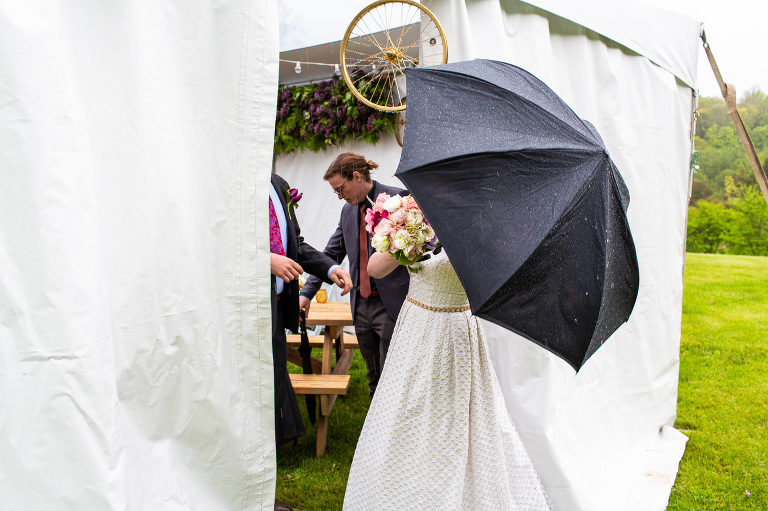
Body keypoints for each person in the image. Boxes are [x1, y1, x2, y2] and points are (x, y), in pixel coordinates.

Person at [342, 248, 554, 510]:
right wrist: (405, 240)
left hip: (456, 331)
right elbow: (374, 268)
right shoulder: (413, 210)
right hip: (415, 328)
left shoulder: (479, 218)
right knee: (407, 413)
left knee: (458, 418)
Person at [299, 153, 409, 397]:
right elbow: (330, 254)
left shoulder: (397, 200)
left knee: (393, 379)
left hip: (391, 304)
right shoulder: (347, 213)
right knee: (373, 378)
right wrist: (306, 292)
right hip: (360, 305)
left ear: (357, 176)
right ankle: (375, 433)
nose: (340, 196)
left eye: (340, 189)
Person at [269, 172, 352, 449]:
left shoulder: (278, 184)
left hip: (280, 304)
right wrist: (265, 260)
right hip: (247, 306)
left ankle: (274, 446)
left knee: (276, 369)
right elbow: (219, 242)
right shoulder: (229, 180)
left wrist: (331, 267)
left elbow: (296, 244)